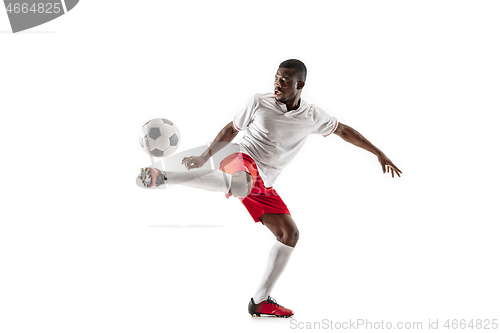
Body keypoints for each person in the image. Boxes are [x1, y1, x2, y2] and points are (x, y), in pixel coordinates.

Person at [137, 59, 402, 317]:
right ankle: (166, 176)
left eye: (285, 80)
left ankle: (260, 300)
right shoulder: (259, 101)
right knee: (243, 182)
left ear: (300, 84)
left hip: (263, 179)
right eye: (276, 78)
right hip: (239, 155)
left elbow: (343, 131)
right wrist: (205, 157)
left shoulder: (312, 115)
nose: (278, 84)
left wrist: (378, 153)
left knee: (289, 233)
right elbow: (232, 130)